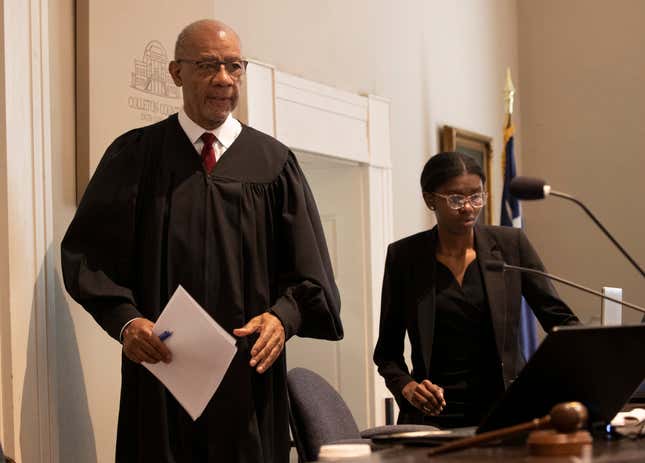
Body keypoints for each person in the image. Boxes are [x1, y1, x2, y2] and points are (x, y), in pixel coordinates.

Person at [62, 19, 343, 462]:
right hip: (161, 376)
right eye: (209, 66)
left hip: (249, 380)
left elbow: (311, 274)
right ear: (176, 73)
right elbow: (88, 259)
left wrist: (282, 318)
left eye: (235, 67)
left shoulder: (273, 164)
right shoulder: (135, 156)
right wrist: (127, 322)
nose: (224, 80)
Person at [373, 151, 578, 428]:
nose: (468, 207)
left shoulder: (510, 246)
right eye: (456, 199)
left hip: (506, 411)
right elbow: (387, 353)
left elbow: (560, 322)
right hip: (434, 416)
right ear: (430, 199)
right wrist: (408, 387)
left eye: (476, 196)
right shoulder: (405, 258)